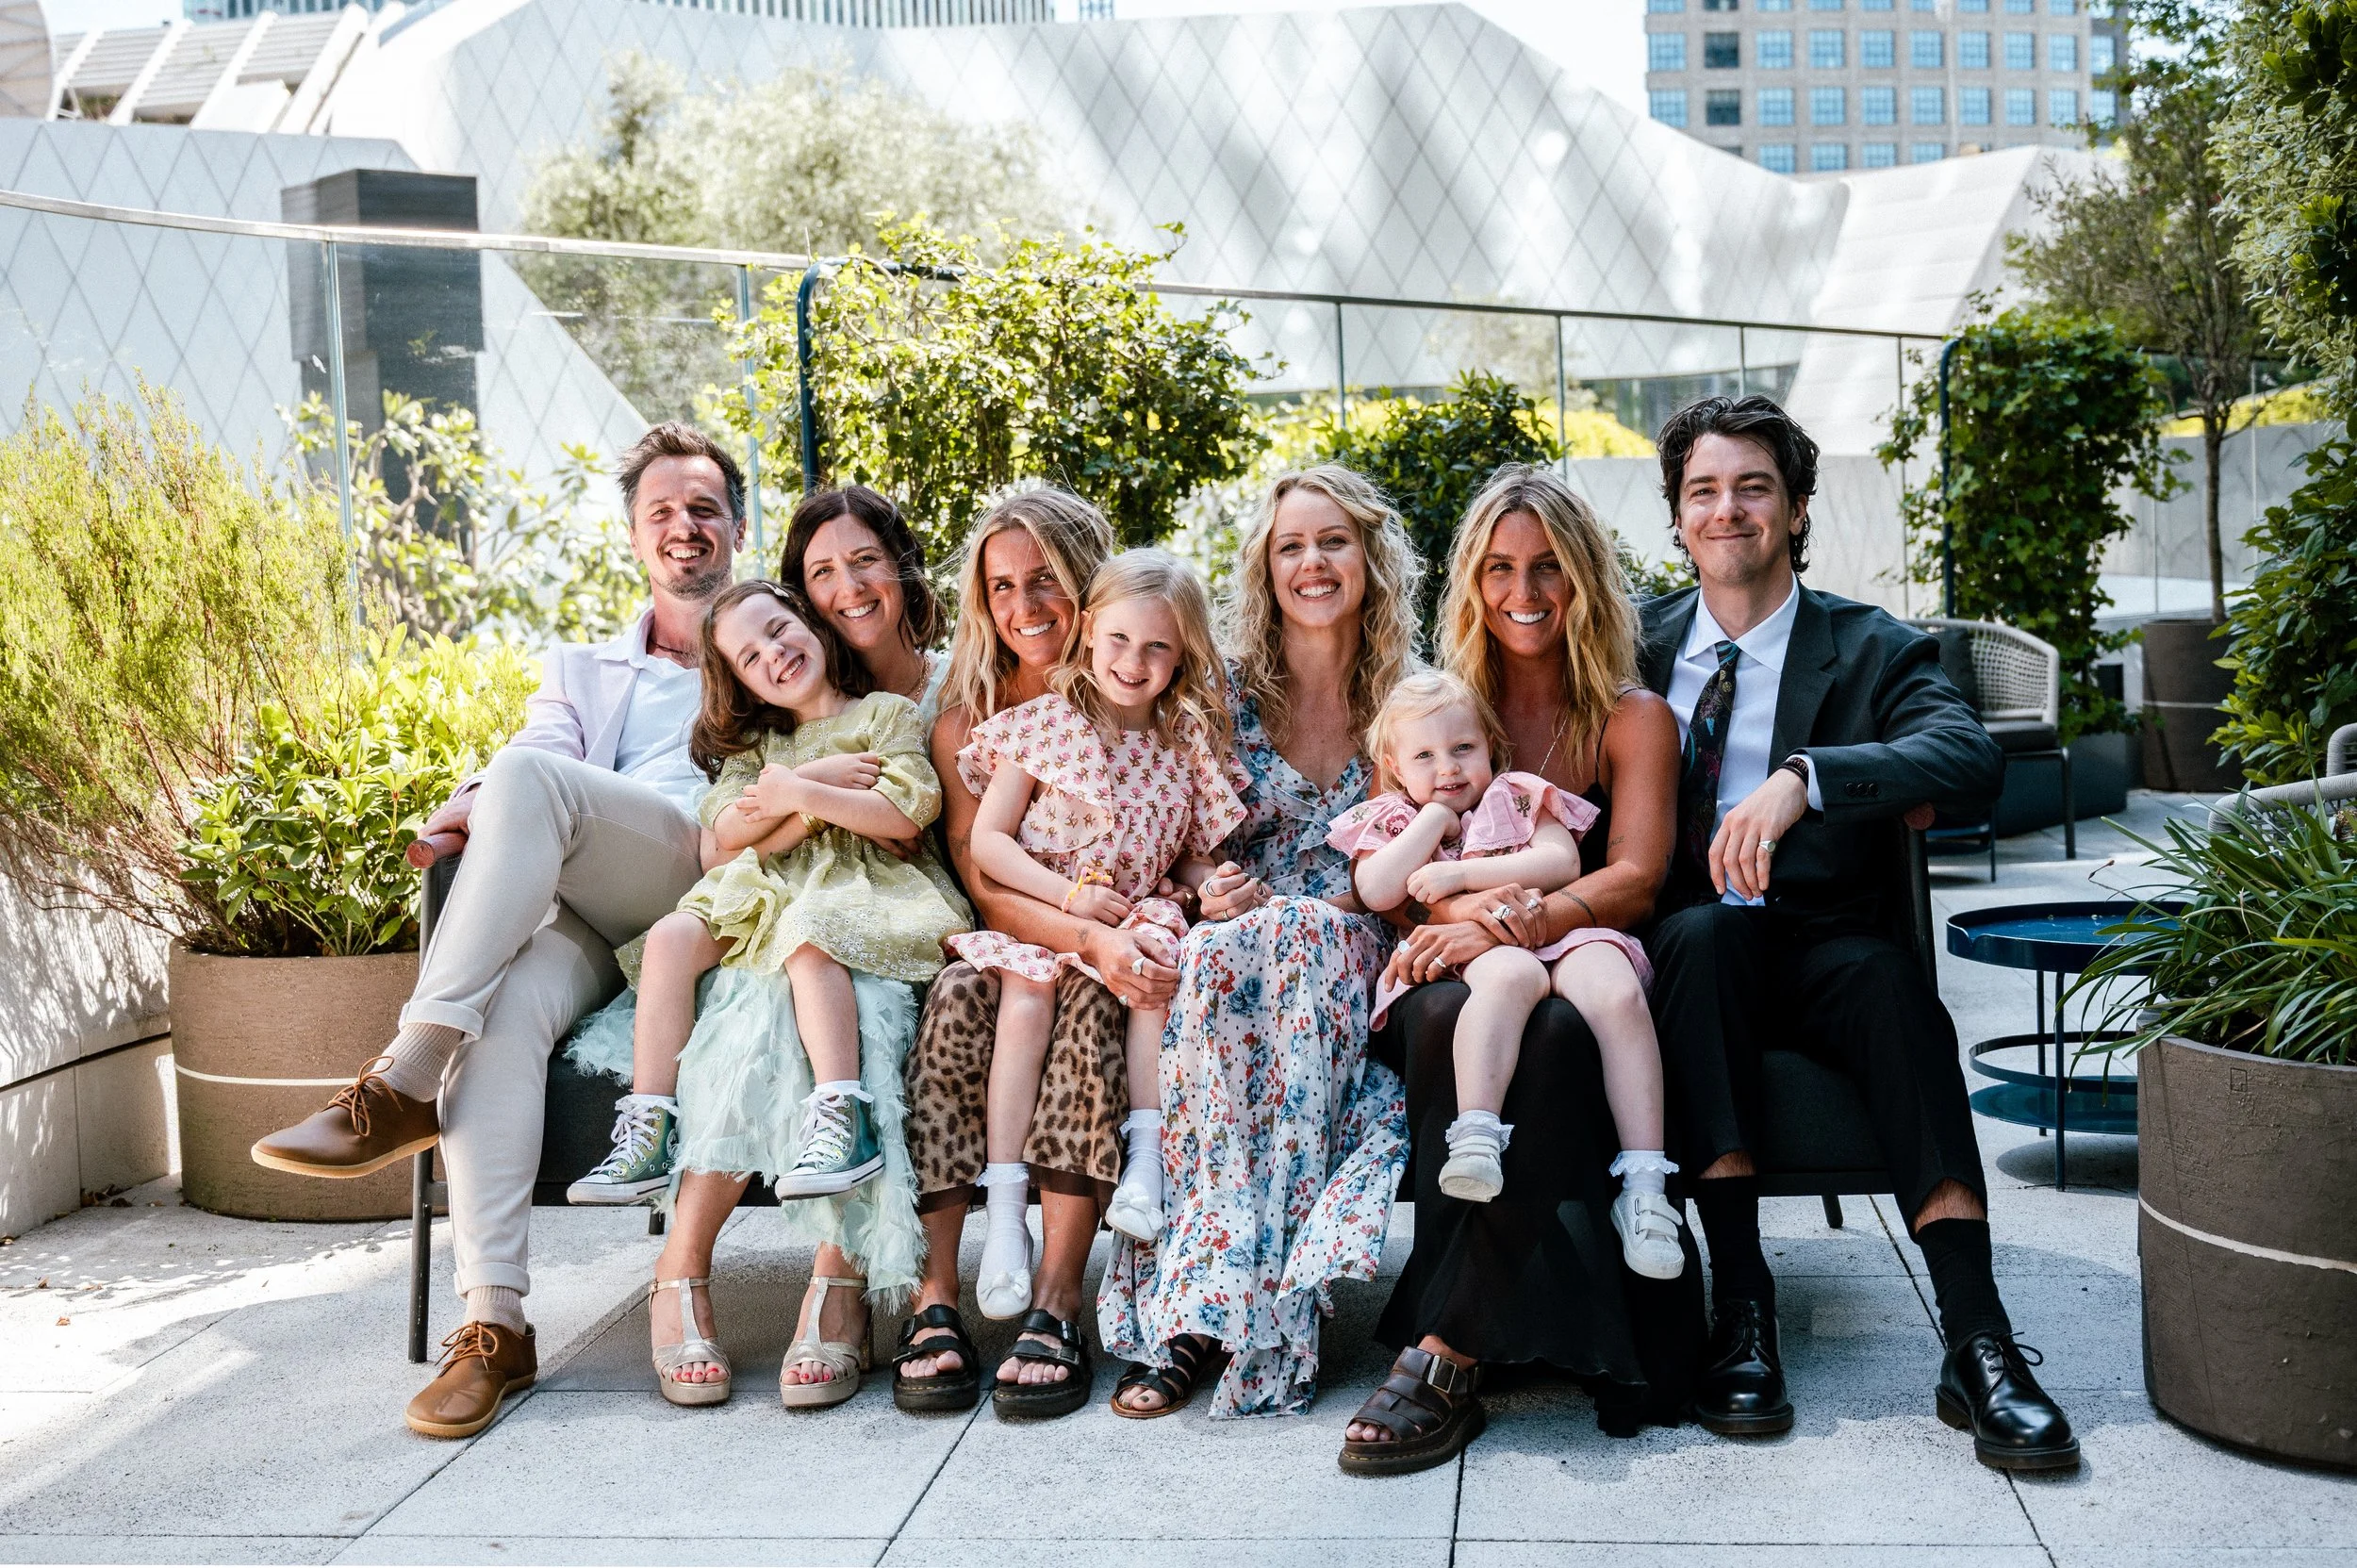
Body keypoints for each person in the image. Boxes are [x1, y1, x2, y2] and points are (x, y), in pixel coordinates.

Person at [250, 423, 748, 1439]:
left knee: (526, 788)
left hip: (704, 883)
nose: (683, 528)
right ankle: (496, 1324)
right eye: (661, 511)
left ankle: (402, 1074)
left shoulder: (772, 636)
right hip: (592, 899)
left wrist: (499, 790)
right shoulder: (584, 667)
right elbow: (533, 752)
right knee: (504, 1013)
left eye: (703, 508)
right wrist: (460, 807)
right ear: (633, 536)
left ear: (738, 525)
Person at [1638, 394, 2078, 1471]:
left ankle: (1977, 1342)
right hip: (1697, 948)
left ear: (1794, 509)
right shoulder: (1635, 643)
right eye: (1703, 491)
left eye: (1752, 488)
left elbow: (1966, 757)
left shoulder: (1870, 644)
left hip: (1831, 932)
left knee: (1894, 993)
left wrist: (1809, 778)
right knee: (1695, 940)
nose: (1726, 509)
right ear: (1677, 515)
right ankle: (1741, 1305)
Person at [1341, 463, 1699, 1476]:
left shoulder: (1628, 717)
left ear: (1584, 574)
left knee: (1555, 1030)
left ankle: (1448, 1346)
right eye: (1498, 567)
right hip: (1450, 970)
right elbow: (1402, 870)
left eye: (1546, 565)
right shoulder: (1439, 713)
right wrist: (1471, 922)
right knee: (1474, 1015)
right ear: (1471, 581)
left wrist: (1515, 921)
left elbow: (1635, 875)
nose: (1522, 588)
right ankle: (1474, 1325)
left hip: (1571, 951)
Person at [562, 580, 969, 1409]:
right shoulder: (760, 751)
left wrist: (798, 797)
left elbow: (903, 813)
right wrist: (811, 787)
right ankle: (648, 1128)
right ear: (739, 683)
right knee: (677, 935)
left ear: (811, 625)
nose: (774, 654)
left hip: (859, 899)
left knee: (807, 937)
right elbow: (722, 842)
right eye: (750, 656)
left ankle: (842, 1117)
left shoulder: (887, 714)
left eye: (780, 631)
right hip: (764, 899)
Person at [1097, 465, 1421, 1422]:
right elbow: (1182, 845)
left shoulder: (1411, 694)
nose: (1312, 562)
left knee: (1296, 935)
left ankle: (1229, 1313)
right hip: (1239, 958)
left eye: (1332, 542)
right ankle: (1200, 1304)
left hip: (1362, 947)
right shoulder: (1222, 695)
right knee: (1220, 951)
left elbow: (1457, 817)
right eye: (1291, 546)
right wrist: (1212, 884)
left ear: (1368, 557)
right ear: (1264, 566)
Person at [895, 487, 1154, 1421]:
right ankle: (937, 1293)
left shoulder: (1131, 688)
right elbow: (984, 877)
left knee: (1091, 1003)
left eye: (1044, 578)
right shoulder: (970, 717)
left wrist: (1103, 938)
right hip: (1024, 929)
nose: (1024, 604)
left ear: (1086, 582)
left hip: (1114, 939)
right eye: (1002, 586)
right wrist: (1080, 928)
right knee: (962, 995)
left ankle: (1056, 1293)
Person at [948, 548, 1244, 1312]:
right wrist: (1069, 895)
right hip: (1052, 917)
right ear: (1086, 632)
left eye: (1157, 647)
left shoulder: (1183, 744)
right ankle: (1009, 1208)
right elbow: (990, 843)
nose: (1133, 661)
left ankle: (1146, 1156)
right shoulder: (1045, 727)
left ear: (1182, 657)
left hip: (1135, 915)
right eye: (1117, 639)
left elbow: (1193, 856)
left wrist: (1217, 886)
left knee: (1156, 970)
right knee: (1027, 999)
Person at [1329, 669, 1680, 1279]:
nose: (1449, 768)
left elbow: (1561, 859)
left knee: (1617, 988)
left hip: (1558, 928)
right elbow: (1376, 886)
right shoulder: (1392, 816)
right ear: (1393, 762)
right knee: (1509, 978)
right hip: (1485, 953)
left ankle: (1646, 1186)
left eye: (1464, 748)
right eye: (1425, 755)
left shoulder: (1515, 795)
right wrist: (1433, 822)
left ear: (1489, 744)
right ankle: (1477, 1133)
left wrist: (1462, 875)